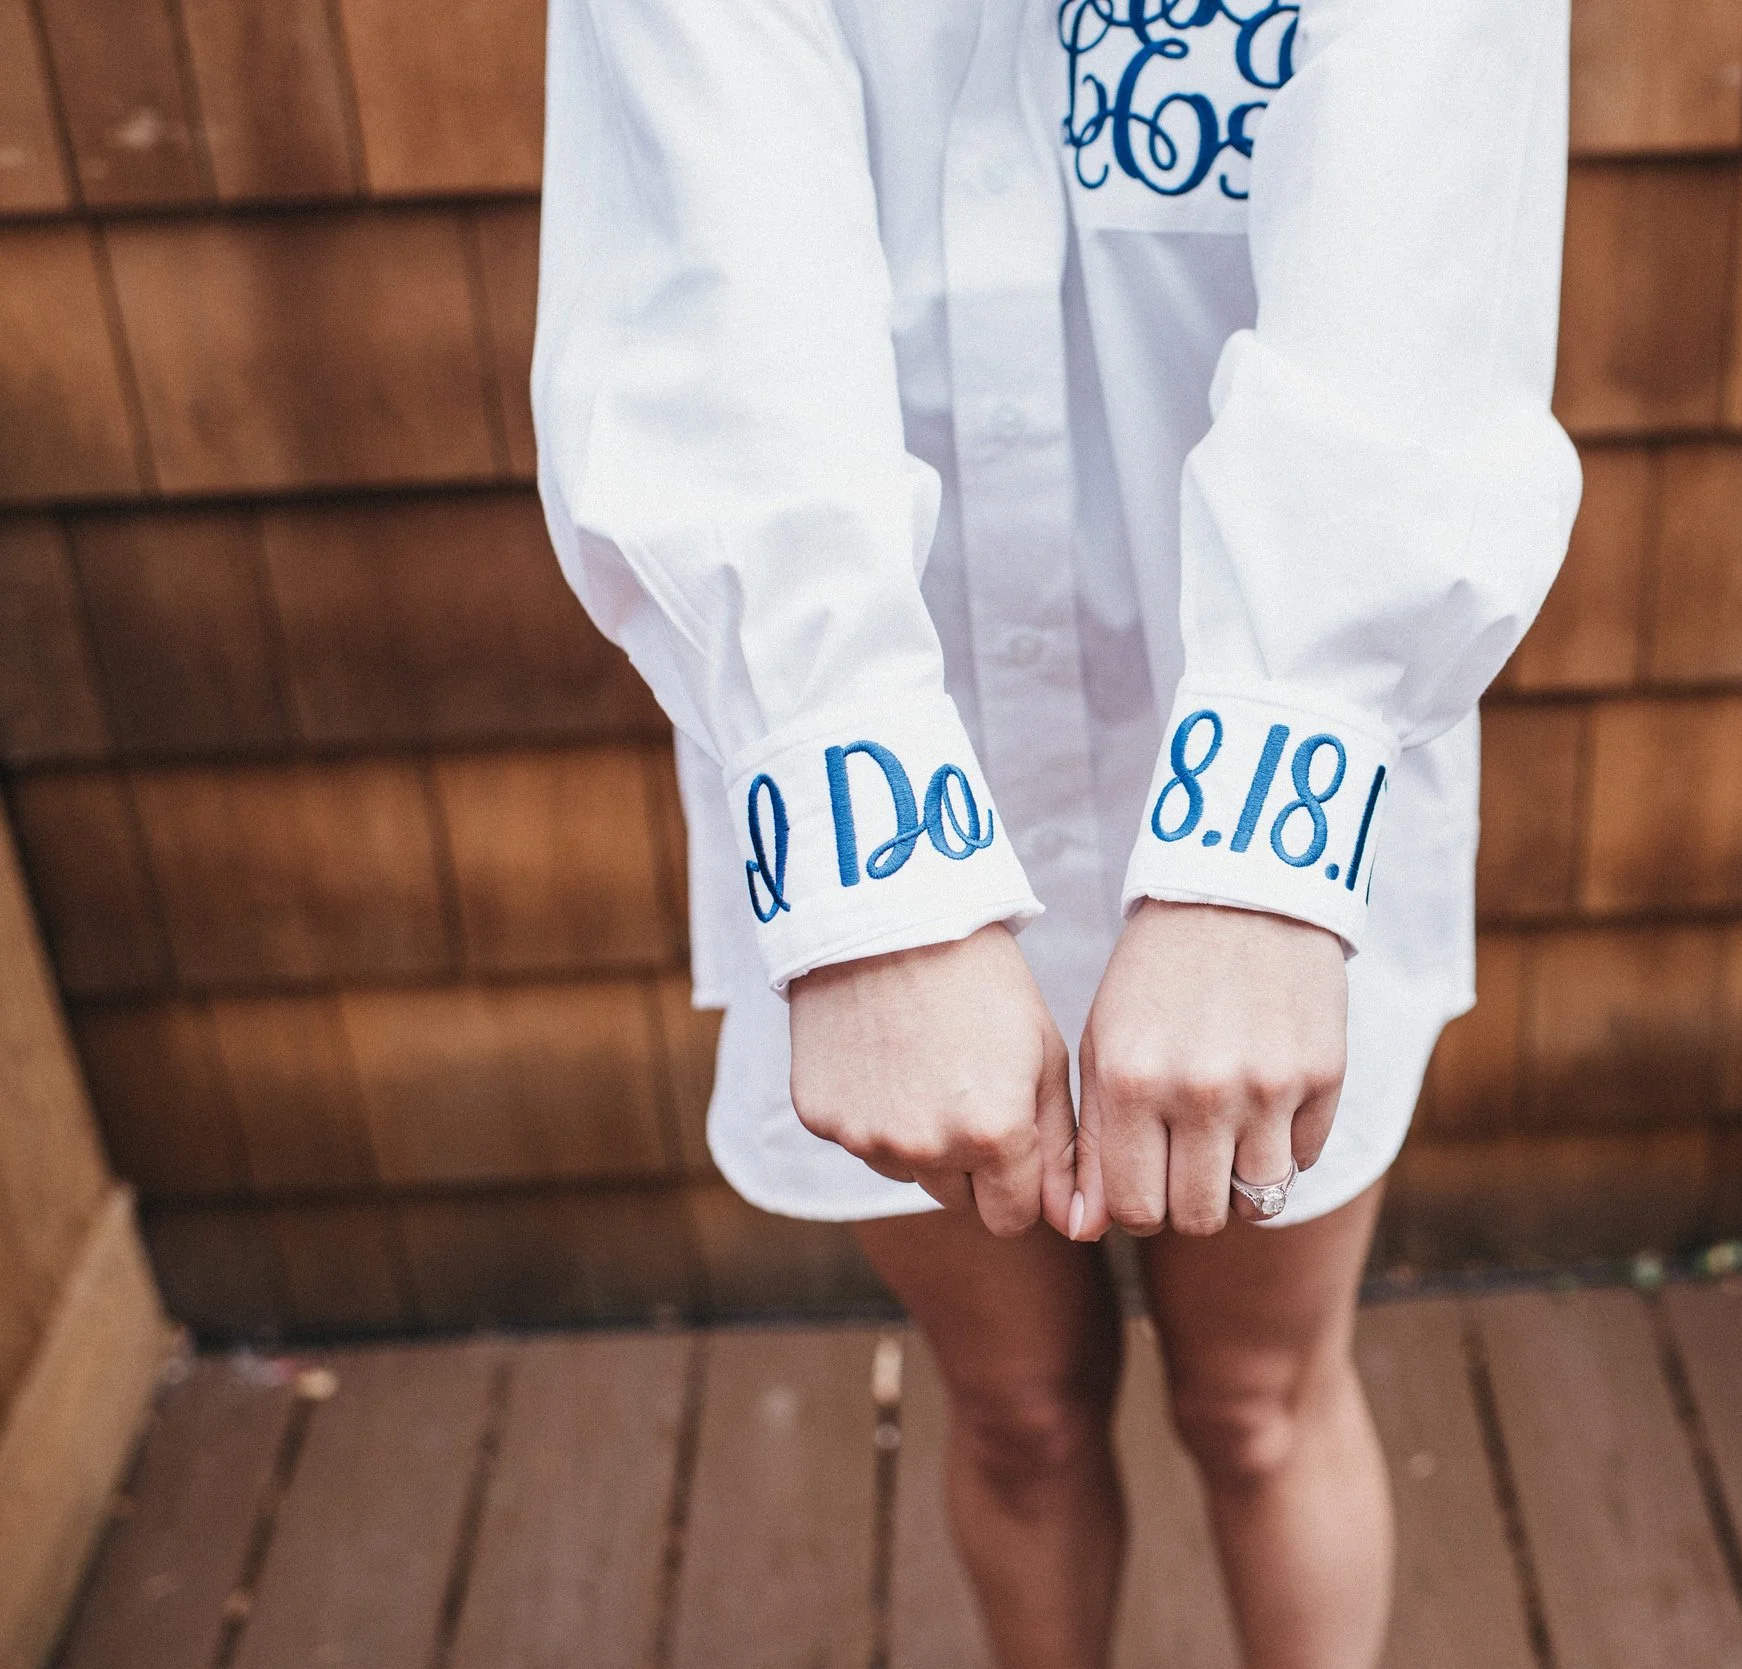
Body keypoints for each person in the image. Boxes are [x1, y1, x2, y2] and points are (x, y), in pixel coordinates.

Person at [532, 1, 1576, 1663]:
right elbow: (702, 267)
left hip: (1278, 704)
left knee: (1257, 1401)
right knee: (1016, 1407)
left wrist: (1268, 841)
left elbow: (1424, 242)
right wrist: (868, 869)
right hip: (880, 696)